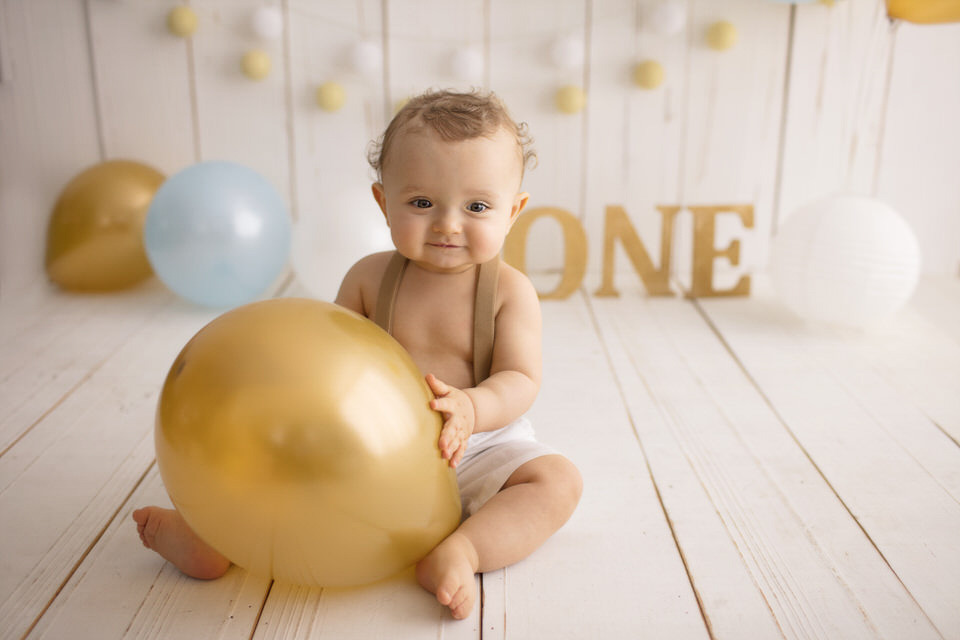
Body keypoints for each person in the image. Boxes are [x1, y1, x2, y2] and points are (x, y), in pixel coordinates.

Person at [132, 89, 582, 620]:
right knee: (294, 471)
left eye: (477, 207)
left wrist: (472, 408)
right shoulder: (369, 279)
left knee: (557, 481)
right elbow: (326, 363)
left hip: (479, 442)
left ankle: (465, 548)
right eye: (421, 203)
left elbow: (520, 378)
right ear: (382, 202)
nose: (448, 224)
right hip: (370, 449)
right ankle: (213, 534)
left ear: (514, 211)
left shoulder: (509, 291)